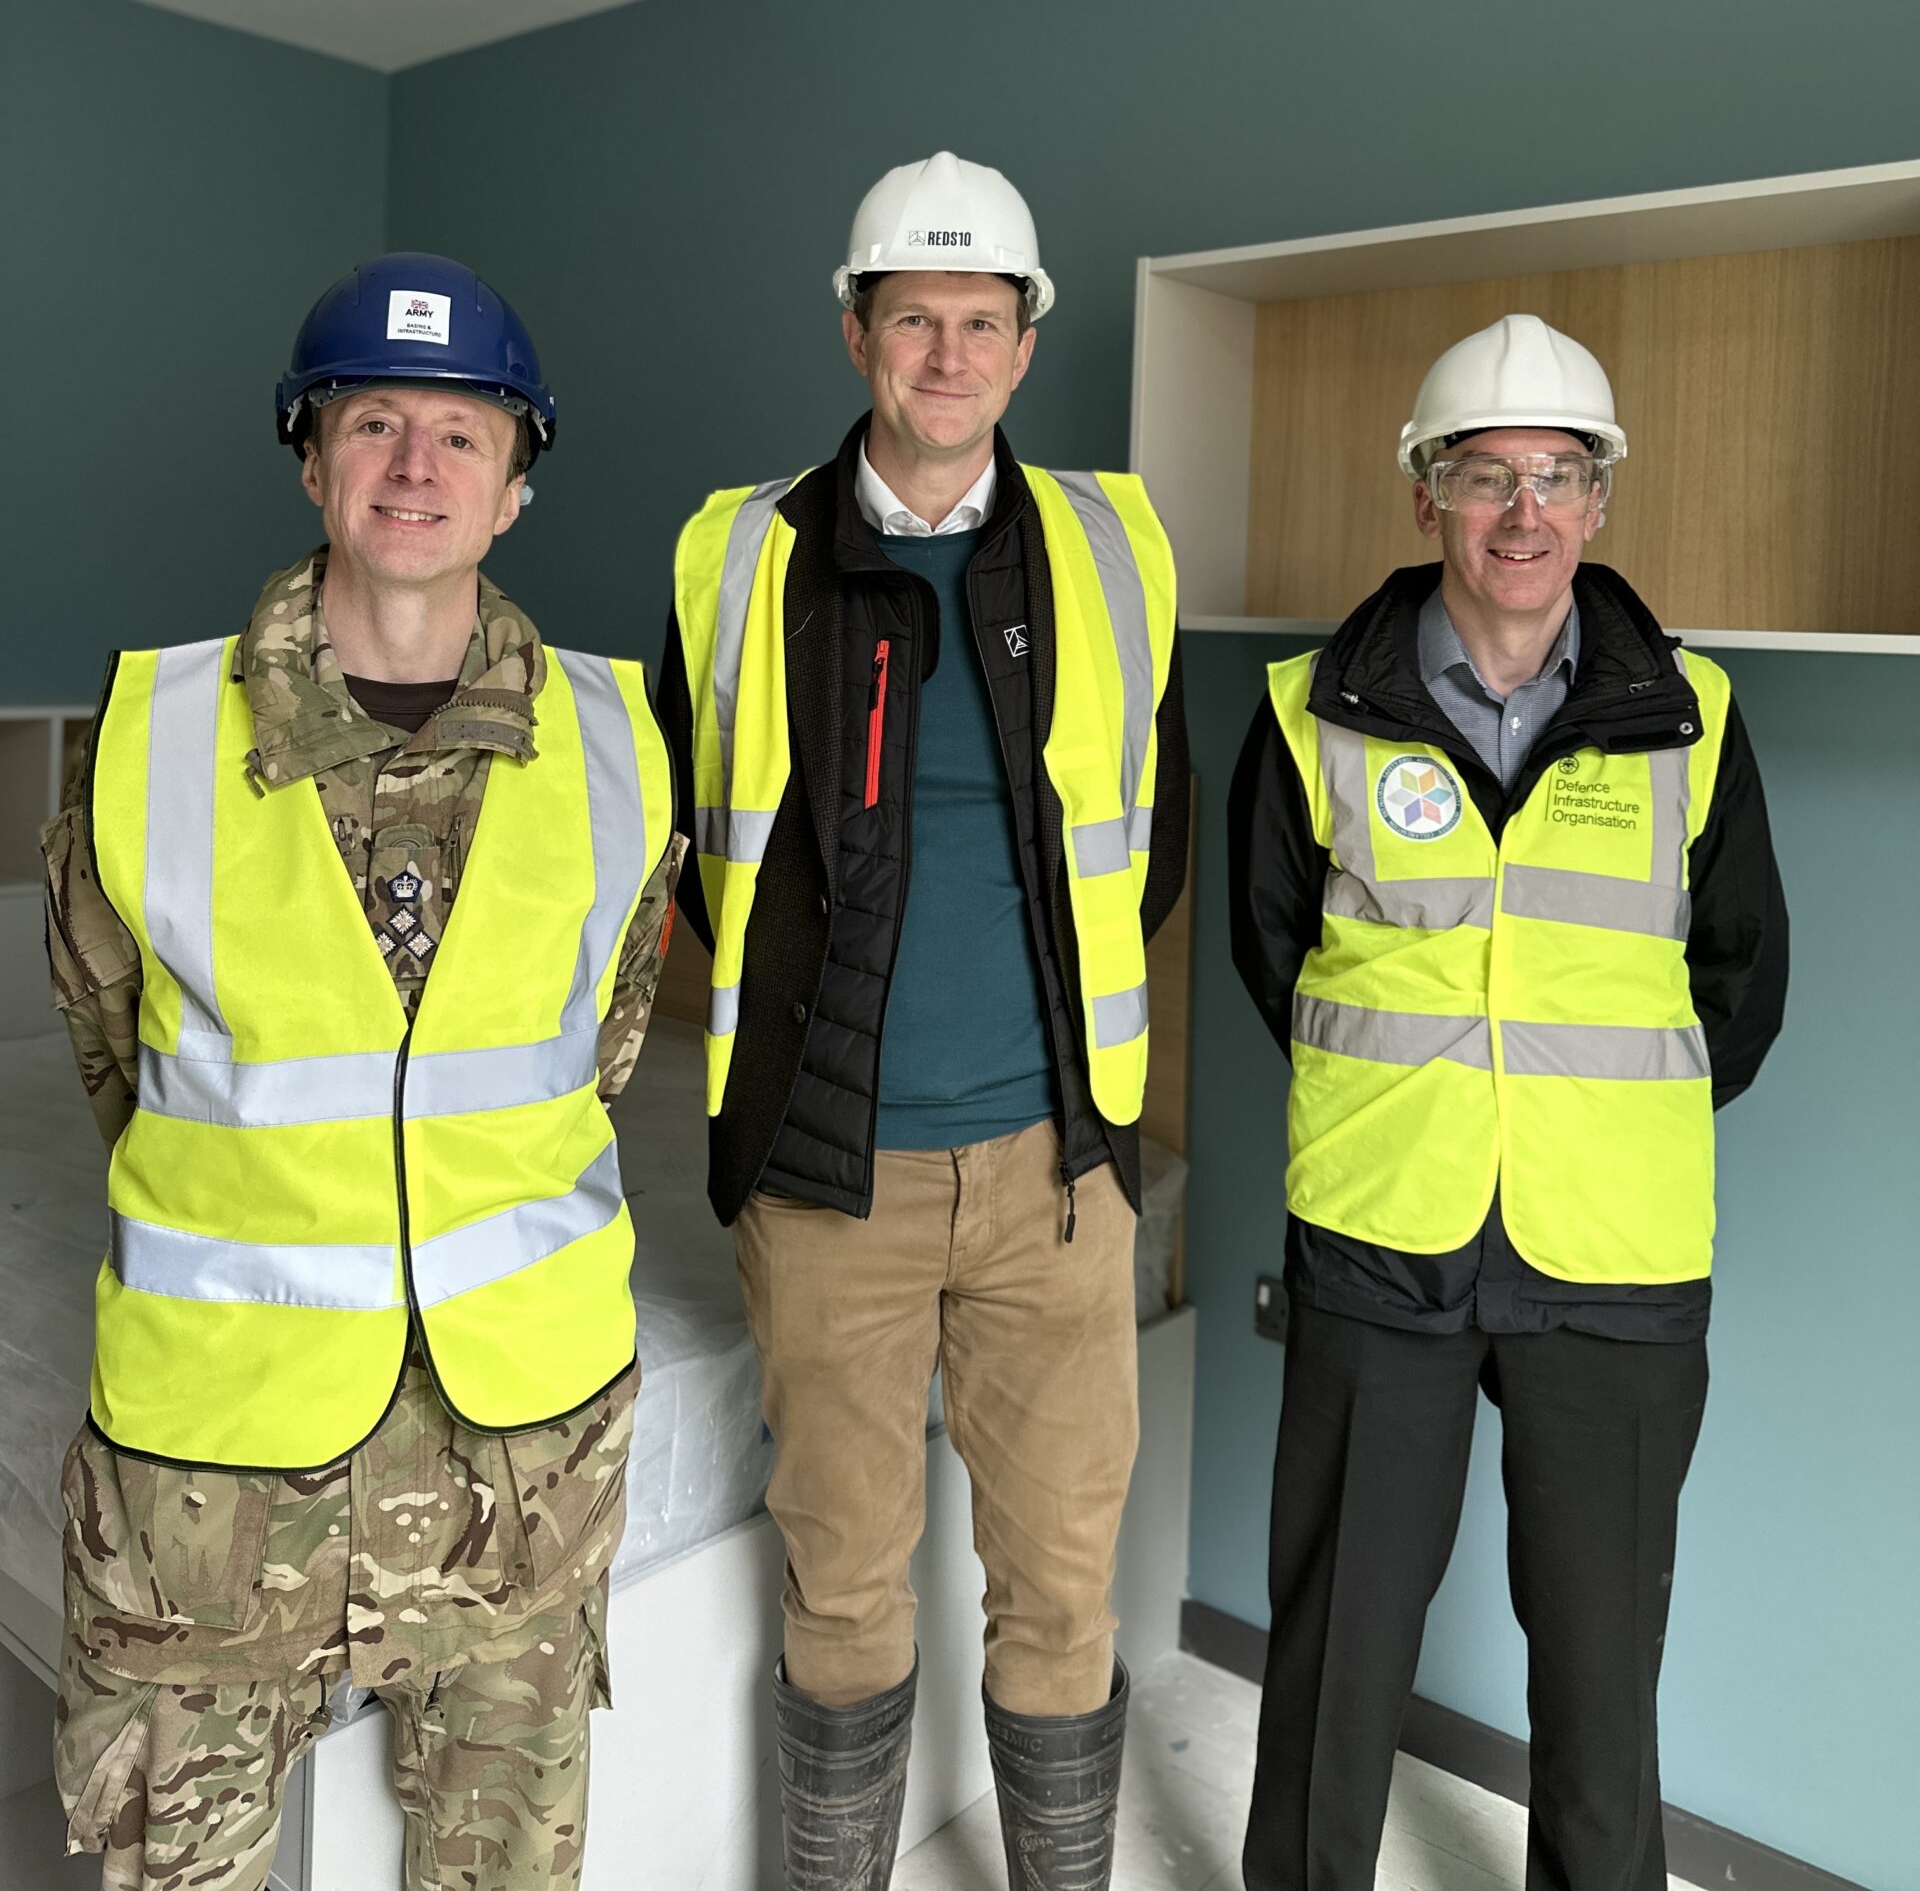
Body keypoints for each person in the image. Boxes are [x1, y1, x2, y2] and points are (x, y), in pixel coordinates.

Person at [45, 252, 682, 1891]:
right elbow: (118, 1054)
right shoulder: (144, 735)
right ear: (310, 457)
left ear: (517, 482)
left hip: (523, 1466)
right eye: (374, 423)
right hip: (212, 1485)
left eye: (461, 434)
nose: (415, 467)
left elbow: (602, 1050)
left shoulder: (622, 747)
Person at [656, 152, 1189, 1889]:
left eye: (981, 323)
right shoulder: (738, 552)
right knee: (845, 1587)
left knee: (1061, 1592)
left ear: (1026, 345)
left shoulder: (1115, 542)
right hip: (832, 1187)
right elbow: (679, 833)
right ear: (855, 333)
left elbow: (1148, 840)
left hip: (1056, 1180)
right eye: (912, 321)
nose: (946, 356)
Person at [1230, 311, 1788, 1891]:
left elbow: (1738, 984)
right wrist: (1413, 1107)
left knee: (1604, 1672)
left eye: (1558, 477)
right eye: (1488, 477)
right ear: (1427, 497)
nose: (1524, 513)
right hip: (1375, 1234)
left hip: (1613, 1256)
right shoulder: (1306, 712)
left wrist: (1591, 1122)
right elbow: (1282, 959)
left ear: (1600, 503)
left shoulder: (1696, 717)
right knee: (1339, 1646)